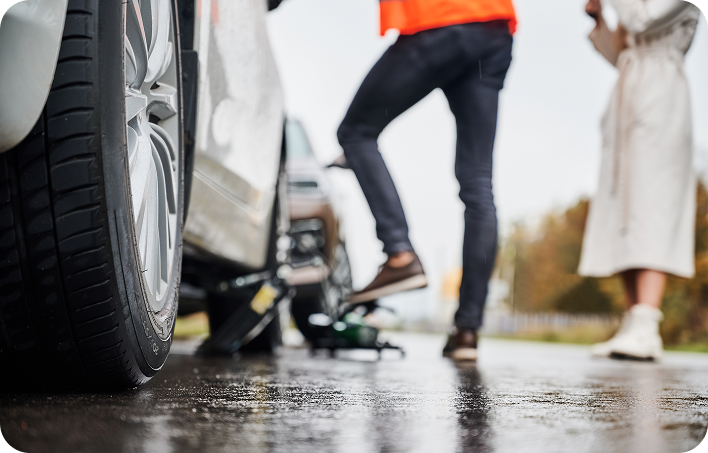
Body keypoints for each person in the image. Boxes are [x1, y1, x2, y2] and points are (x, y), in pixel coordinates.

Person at [335, 0, 517, 361]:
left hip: (437, 20)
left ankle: (399, 253)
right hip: (494, 27)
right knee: (479, 182)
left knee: (356, 132)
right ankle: (467, 329)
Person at [579, 0, 701, 360]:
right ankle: (634, 322)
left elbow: (642, 19)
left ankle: (648, 323)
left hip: (662, 94)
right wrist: (599, 18)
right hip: (629, 91)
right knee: (623, 207)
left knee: (651, 203)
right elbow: (620, 52)